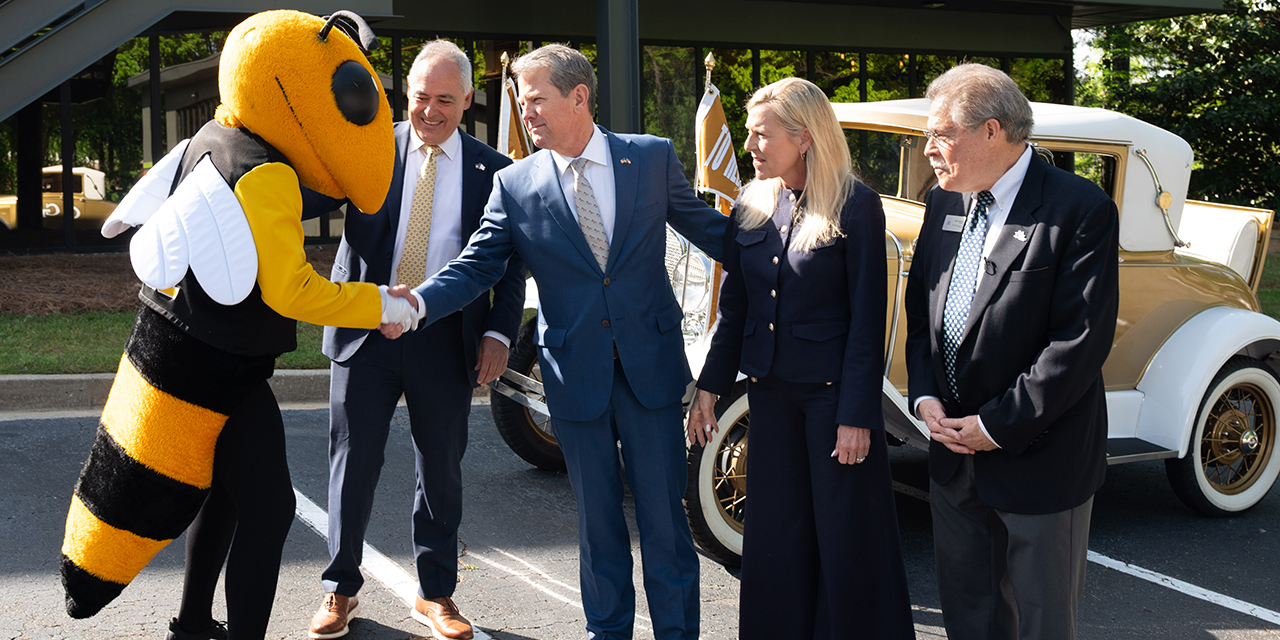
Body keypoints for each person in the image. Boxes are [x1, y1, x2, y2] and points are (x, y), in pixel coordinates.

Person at [394, 44, 727, 640]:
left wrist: (792, 253)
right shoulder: (515, 183)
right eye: (522, 104)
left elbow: (710, 232)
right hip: (575, 377)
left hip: (650, 370)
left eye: (537, 100)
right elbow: (477, 267)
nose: (528, 114)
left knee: (665, 525)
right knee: (598, 526)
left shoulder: (649, 159)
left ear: (579, 98)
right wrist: (417, 302)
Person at [305, 40, 525, 640]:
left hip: (445, 339)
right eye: (421, 98)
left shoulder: (495, 171)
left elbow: (509, 265)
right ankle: (339, 589)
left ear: (468, 101)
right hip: (364, 330)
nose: (431, 111)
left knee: (442, 467)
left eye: (445, 100)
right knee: (353, 462)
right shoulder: (368, 147)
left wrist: (499, 333)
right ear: (407, 95)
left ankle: (436, 594)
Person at [687, 77, 915, 639]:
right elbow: (734, 309)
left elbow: (868, 321)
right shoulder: (751, 201)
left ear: (804, 137)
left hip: (833, 399)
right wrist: (708, 388)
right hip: (772, 395)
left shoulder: (856, 206)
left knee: (843, 535)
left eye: (762, 135)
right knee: (776, 533)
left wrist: (858, 414)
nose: (750, 147)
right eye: (749, 135)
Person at [903, 63, 1119, 640]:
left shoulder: (1079, 208)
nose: (928, 149)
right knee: (969, 618)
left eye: (940, 134)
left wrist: (994, 425)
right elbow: (921, 314)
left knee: (1042, 624)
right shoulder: (944, 202)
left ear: (991, 131)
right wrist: (925, 397)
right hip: (953, 455)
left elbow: (1077, 344)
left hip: (1038, 457)